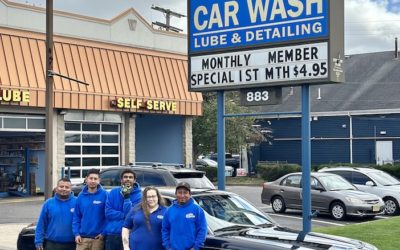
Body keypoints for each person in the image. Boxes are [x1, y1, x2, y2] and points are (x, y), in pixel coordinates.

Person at [162, 182, 207, 250]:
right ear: (176, 194)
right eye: (180, 192)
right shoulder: (169, 211)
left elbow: (202, 230)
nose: (182, 195)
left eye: (185, 192)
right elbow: (165, 230)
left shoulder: (197, 210)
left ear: (189, 194)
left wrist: (195, 247)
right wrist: (168, 247)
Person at [35, 178, 77, 250]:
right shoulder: (48, 203)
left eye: (67, 187)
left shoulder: (77, 202)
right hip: (52, 244)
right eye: (61, 186)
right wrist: (38, 241)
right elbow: (41, 223)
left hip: (73, 244)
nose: (64, 189)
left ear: (71, 189)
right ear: (57, 188)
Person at [105, 169, 142, 250]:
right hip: (112, 234)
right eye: (125, 177)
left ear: (134, 180)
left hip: (129, 234)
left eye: (130, 177)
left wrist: (126, 197)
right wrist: (124, 215)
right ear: (121, 180)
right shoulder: (113, 192)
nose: (128, 179)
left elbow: (132, 215)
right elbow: (108, 213)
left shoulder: (140, 196)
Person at [73, 168, 108, 250]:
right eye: (91, 178)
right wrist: (76, 233)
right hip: (82, 239)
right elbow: (76, 217)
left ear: (99, 180)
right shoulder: (80, 196)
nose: (93, 181)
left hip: (97, 239)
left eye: (95, 179)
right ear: (86, 179)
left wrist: (103, 233)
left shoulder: (105, 195)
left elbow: (108, 217)